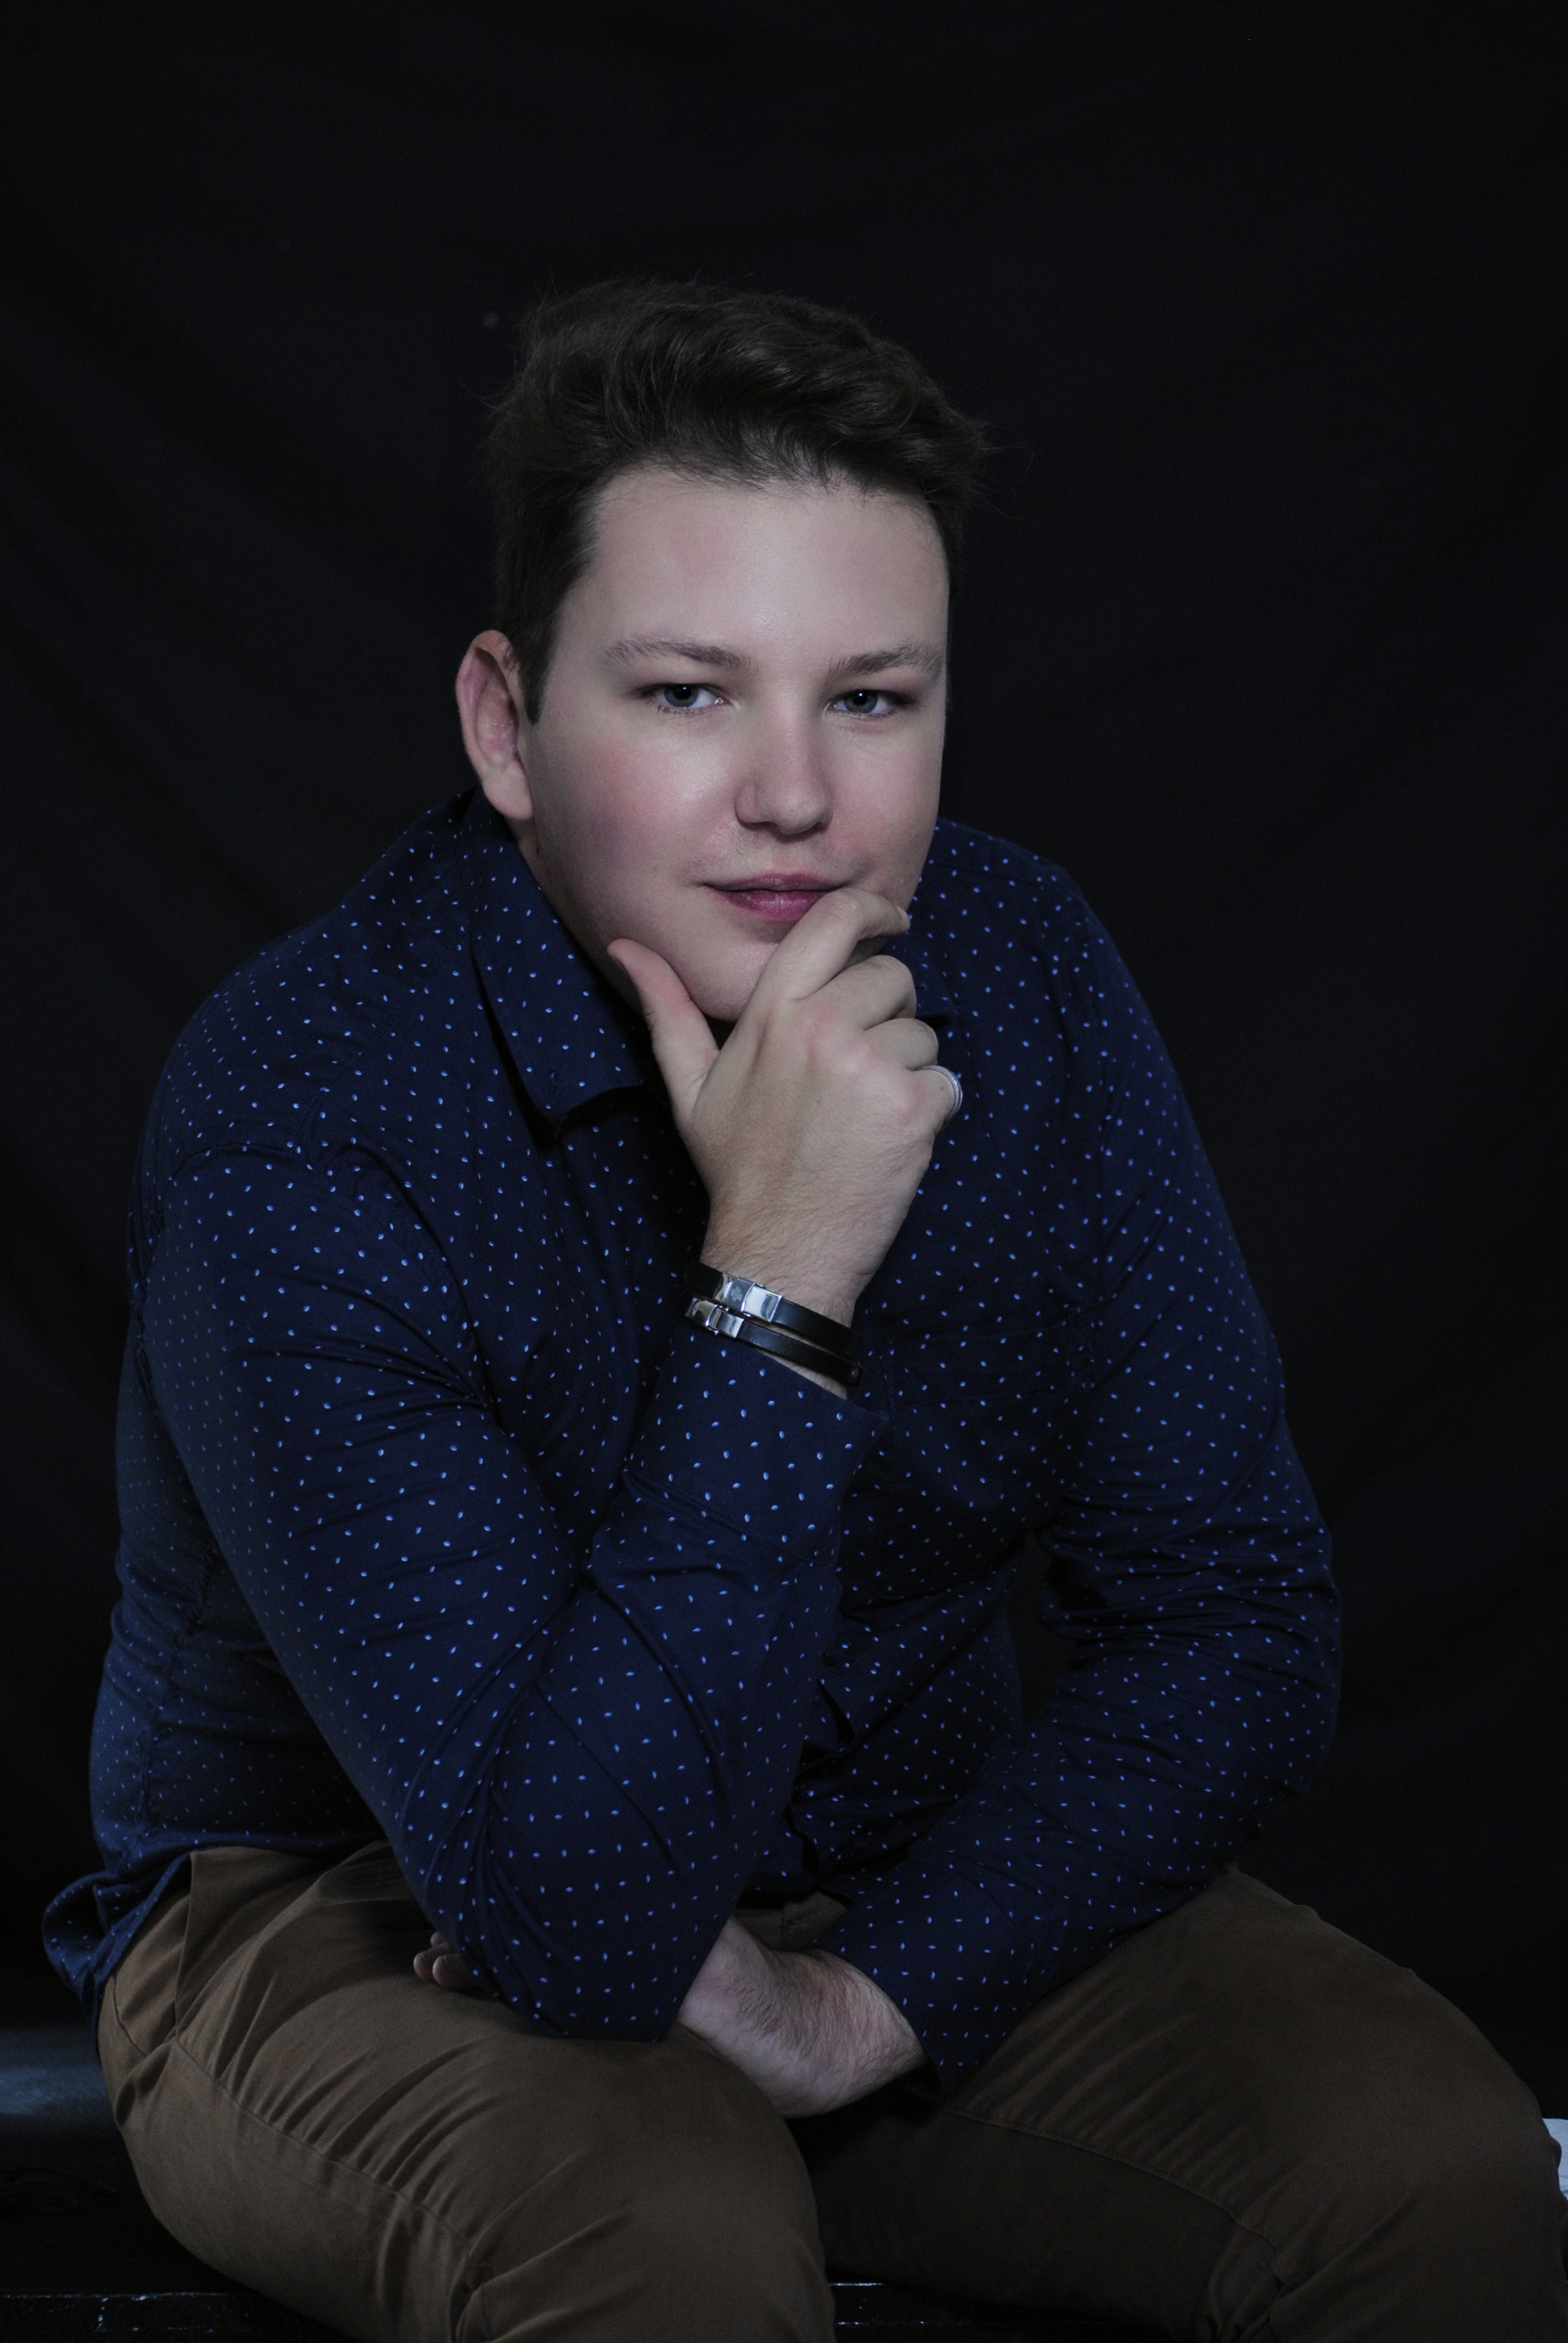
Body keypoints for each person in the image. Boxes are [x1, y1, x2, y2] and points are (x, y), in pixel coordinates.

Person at [47, 281, 1566, 2342]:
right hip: (353, 1908)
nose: (796, 797)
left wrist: (867, 2004)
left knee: (1432, 2178)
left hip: (894, 1864)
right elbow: (572, 1923)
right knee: (651, 2231)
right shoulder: (307, 1103)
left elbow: (1237, 1620)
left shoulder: (1020, 968)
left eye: (872, 700)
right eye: (687, 695)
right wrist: (782, 1266)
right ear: (509, 724)